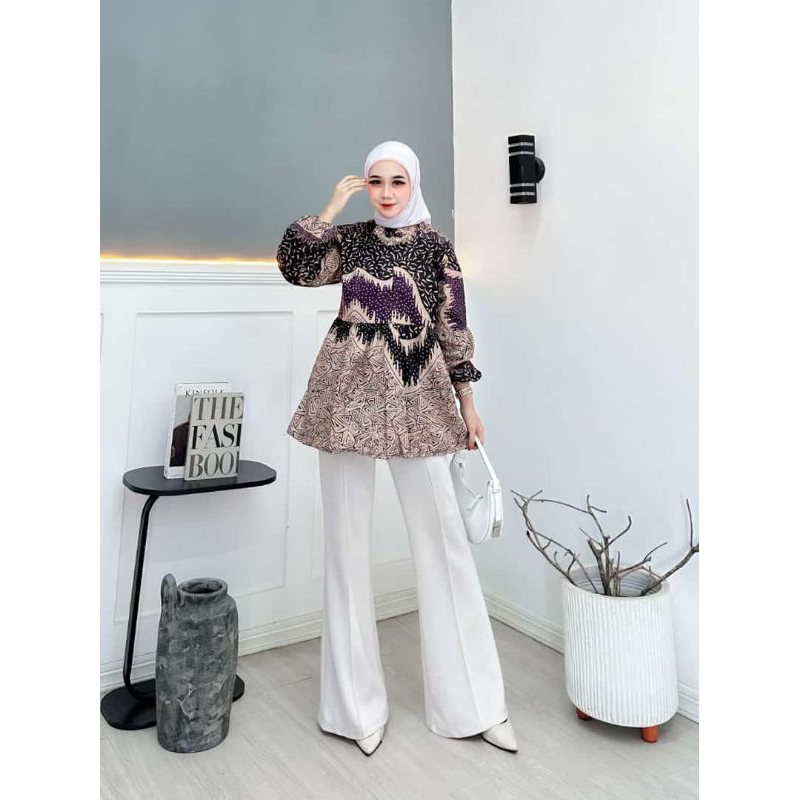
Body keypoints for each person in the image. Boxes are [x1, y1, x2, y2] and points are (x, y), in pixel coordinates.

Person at [276, 141, 517, 756]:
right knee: (345, 547)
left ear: (414, 184)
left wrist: (467, 402)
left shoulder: (436, 247)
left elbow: (452, 325)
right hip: (345, 394)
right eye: (376, 181)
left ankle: (475, 705)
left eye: (398, 182)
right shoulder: (351, 238)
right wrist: (329, 210)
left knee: (445, 543)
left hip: (419, 392)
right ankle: (355, 711)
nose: (386, 193)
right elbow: (297, 269)